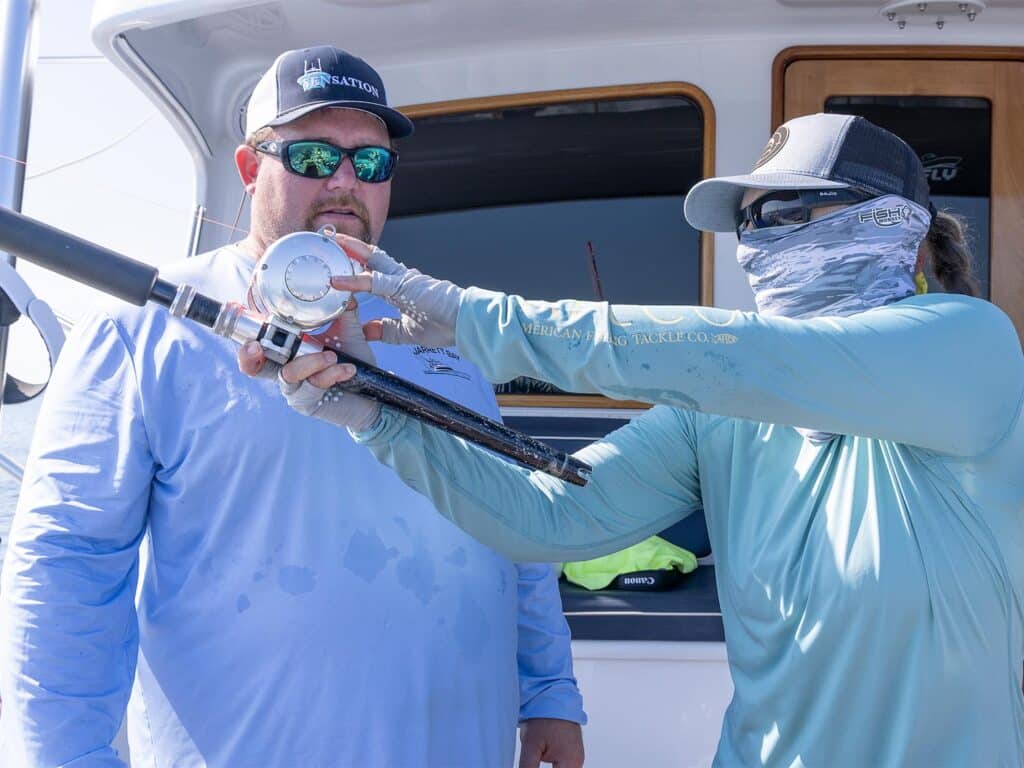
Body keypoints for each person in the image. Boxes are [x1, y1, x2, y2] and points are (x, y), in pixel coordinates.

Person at [243, 112, 1024, 767]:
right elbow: (544, 515)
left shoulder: (970, 348)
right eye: (749, 221)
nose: (758, 241)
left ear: (899, 234)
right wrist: (374, 415)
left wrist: (478, 318)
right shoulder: (719, 410)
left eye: (790, 214)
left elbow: (751, 354)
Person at [0, 45, 585, 768]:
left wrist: (550, 691)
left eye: (370, 164)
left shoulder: (443, 331)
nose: (345, 180)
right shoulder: (138, 334)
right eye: (312, 156)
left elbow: (511, 521)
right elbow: (68, 567)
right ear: (251, 171)